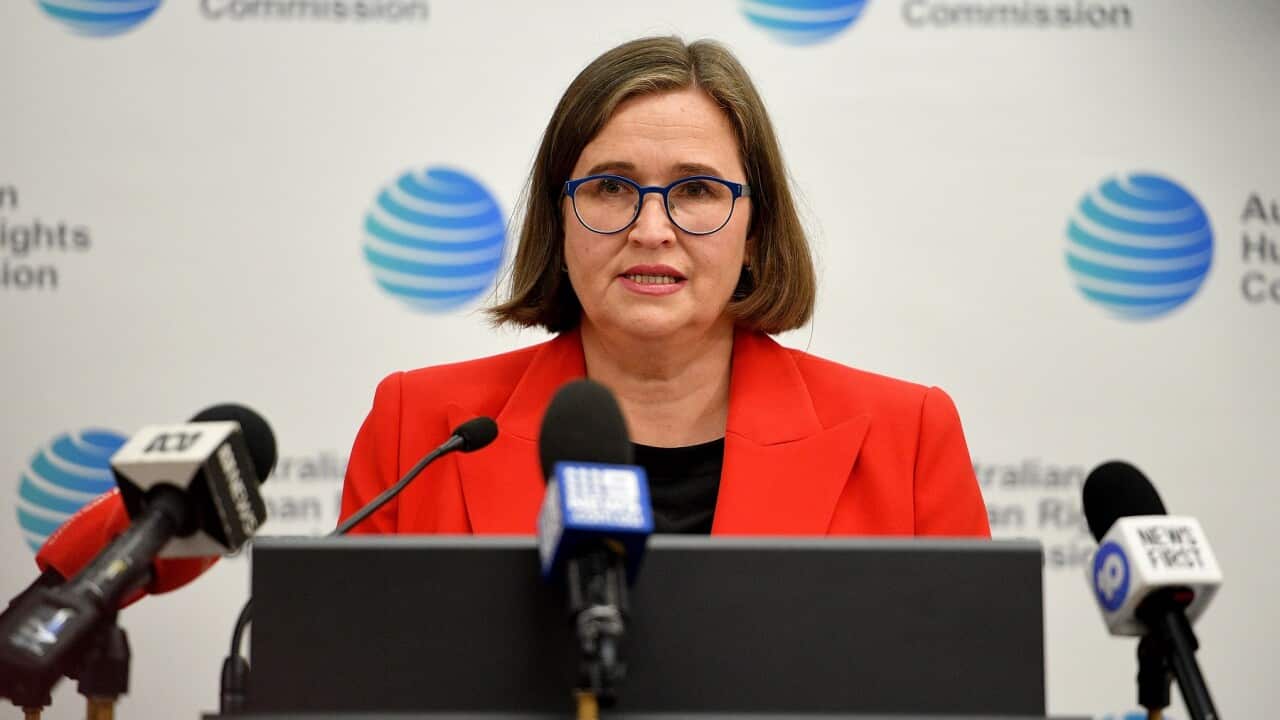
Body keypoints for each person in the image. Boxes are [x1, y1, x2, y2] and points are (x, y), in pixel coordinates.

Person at [340, 36, 989, 537]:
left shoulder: (906, 441)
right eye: (611, 187)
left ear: (756, 228)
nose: (652, 230)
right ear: (559, 218)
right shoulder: (419, 431)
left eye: (698, 190)